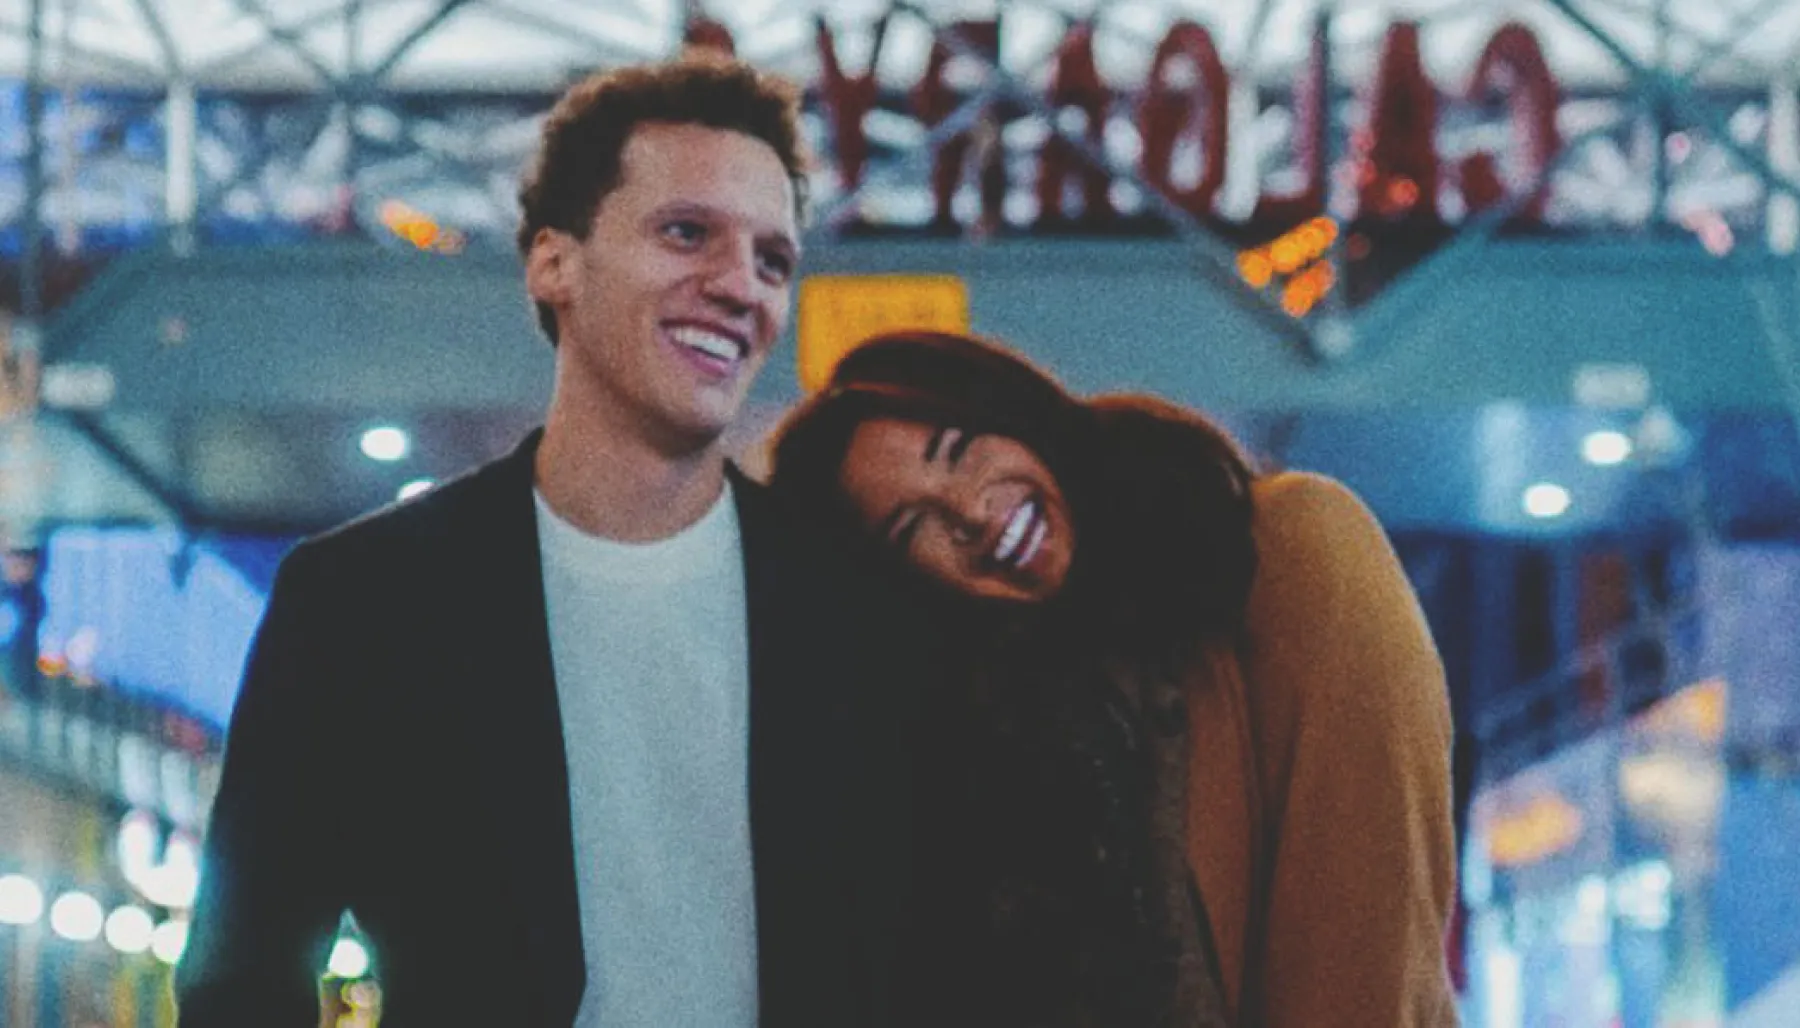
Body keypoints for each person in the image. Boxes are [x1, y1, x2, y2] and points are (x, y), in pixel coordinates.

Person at [177, 57, 930, 1027]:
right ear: (553, 261)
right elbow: (242, 976)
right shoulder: (364, 601)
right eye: (687, 232)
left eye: (773, 258)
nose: (740, 285)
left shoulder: (854, 607)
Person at [769, 330, 1461, 1026]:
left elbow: (1373, 938)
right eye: (911, 526)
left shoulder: (1292, 550)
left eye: (960, 449)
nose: (972, 513)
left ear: (1017, 415)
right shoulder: (987, 743)